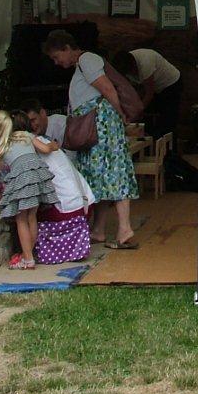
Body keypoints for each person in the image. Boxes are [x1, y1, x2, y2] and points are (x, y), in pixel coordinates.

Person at [42, 25, 140, 249]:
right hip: (97, 126)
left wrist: (121, 114)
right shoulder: (81, 64)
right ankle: (98, 229)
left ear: (67, 48)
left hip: (102, 126)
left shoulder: (87, 59)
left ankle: (125, 230)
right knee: (99, 176)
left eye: (57, 56)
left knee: (114, 173)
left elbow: (107, 89)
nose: (57, 62)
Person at [21, 99, 96, 263]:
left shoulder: (32, 147)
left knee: (27, 213)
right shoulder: (46, 140)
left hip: (71, 209)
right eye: (29, 122)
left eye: (33, 120)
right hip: (86, 202)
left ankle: (29, 253)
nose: (32, 125)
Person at [0, 109, 59, 270]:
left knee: (21, 219)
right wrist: (54, 145)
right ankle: (29, 255)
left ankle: (27, 259)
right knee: (32, 217)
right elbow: (46, 149)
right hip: (36, 178)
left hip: (21, 182)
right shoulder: (26, 136)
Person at [111, 48, 182, 139]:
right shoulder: (123, 65)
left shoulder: (145, 63)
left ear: (134, 66)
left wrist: (137, 110)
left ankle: (167, 145)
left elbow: (149, 94)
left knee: (167, 119)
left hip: (170, 84)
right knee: (146, 116)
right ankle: (148, 139)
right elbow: (134, 90)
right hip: (155, 87)